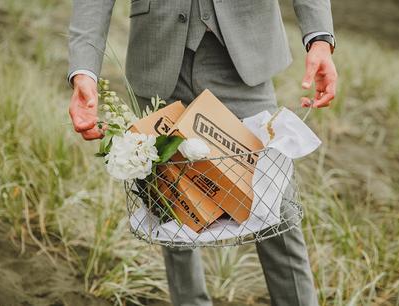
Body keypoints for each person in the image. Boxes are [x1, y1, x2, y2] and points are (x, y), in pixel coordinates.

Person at [67, 1, 337, 305]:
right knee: (171, 203)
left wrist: (319, 37)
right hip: (158, 53)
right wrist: (84, 70)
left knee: (274, 202)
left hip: (242, 57)